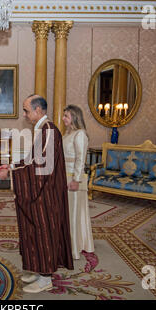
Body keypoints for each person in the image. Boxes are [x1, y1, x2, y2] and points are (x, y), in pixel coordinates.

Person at [0, 94, 74, 293]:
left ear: (38, 110)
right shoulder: (43, 129)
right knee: (37, 231)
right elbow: (32, 158)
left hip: (46, 193)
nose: (24, 114)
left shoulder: (48, 130)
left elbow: (40, 167)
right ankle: (39, 270)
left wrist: (12, 174)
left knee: (44, 231)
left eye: (26, 110)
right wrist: (11, 165)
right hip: (43, 191)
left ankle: (46, 277)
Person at [62, 105, 95, 260]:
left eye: (66, 116)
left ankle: (74, 247)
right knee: (67, 213)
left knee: (74, 213)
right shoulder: (67, 134)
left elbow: (80, 159)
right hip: (64, 177)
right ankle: (68, 242)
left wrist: (76, 180)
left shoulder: (80, 134)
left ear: (74, 117)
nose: (63, 119)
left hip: (73, 179)